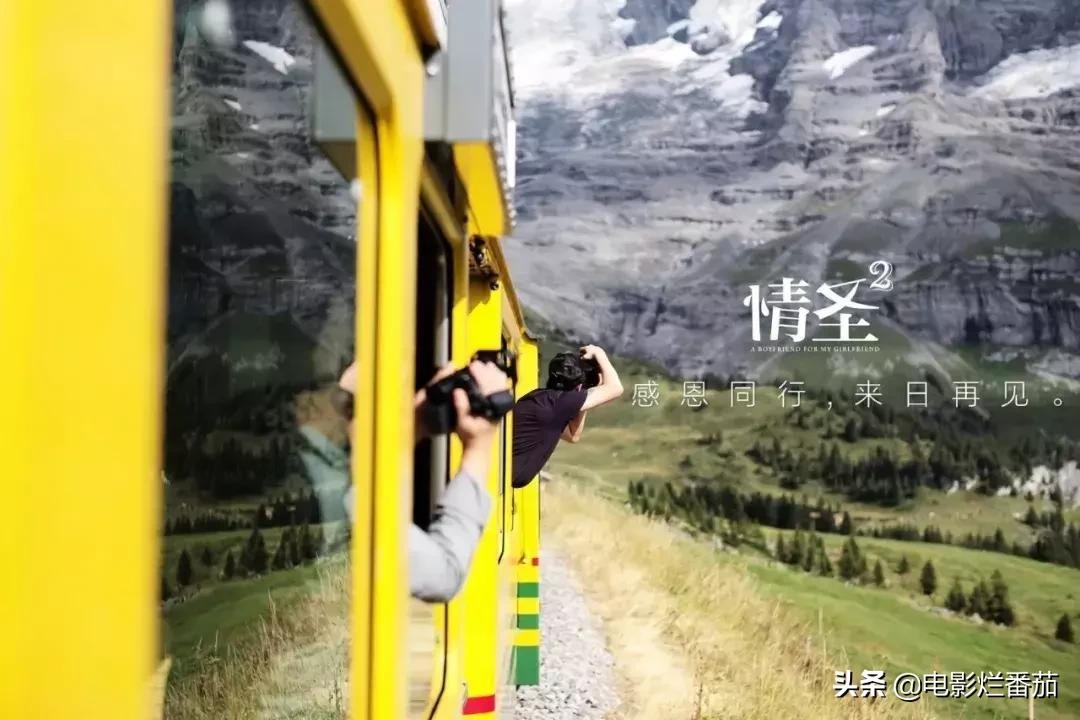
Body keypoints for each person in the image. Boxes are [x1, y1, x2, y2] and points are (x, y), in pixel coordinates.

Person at [337, 359, 510, 602]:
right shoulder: (348, 496)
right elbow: (444, 574)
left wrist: (414, 422)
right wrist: (478, 448)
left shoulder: (328, 473)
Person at [512, 344, 623, 488]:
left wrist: (583, 395)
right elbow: (615, 388)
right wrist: (599, 352)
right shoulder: (557, 404)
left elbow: (573, 435)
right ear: (577, 387)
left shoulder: (544, 400)